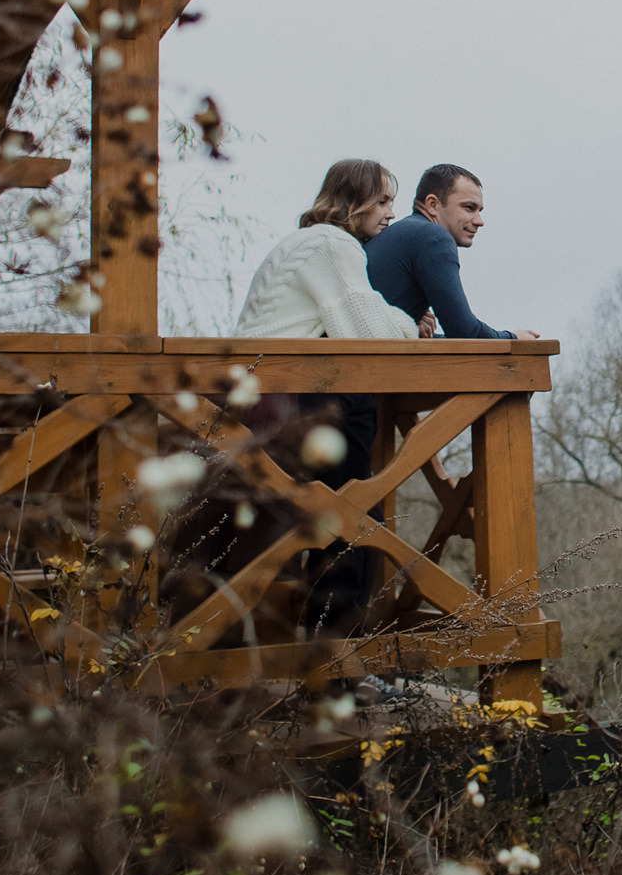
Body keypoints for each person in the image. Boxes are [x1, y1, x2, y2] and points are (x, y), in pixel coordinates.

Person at [206, 159, 429, 631]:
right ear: (355, 200)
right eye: (384, 200)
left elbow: (352, 313)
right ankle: (336, 659)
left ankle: (257, 659)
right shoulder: (333, 243)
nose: (390, 213)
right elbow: (369, 332)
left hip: (252, 399)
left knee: (267, 531)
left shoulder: (302, 244)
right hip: (285, 401)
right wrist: (412, 326)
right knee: (350, 519)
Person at [365, 162, 540, 340]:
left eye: (479, 210)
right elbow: (464, 332)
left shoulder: (403, 233)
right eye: (469, 208)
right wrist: (514, 339)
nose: (479, 221)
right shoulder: (433, 237)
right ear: (432, 205)